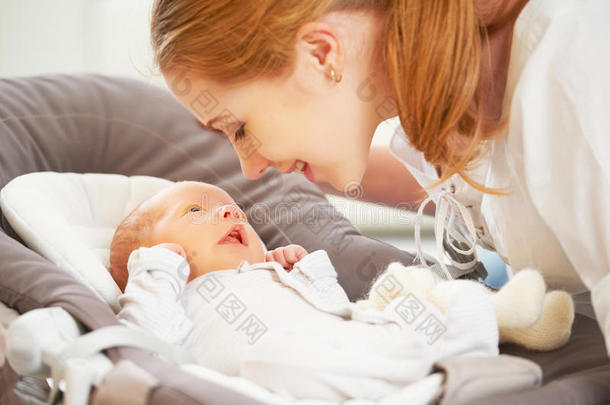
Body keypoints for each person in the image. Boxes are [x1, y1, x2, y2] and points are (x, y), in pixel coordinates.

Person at [149, 0, 610, 354]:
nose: (248, 168)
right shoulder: (436, 90)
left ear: (320, 53)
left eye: (241, 128)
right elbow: (503, 188)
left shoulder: (573, 77)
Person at [109, 180, 572, 401]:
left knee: (410, 299)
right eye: (197, 211)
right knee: (273, 358)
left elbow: (337, 311)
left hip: (354, 350)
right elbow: (145, 342)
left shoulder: (274, 275)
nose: (232, 216)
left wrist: (306, 274)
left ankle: (472, 336)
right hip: (284, 384)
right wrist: (154, 270)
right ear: (155, 252)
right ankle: (446, 369)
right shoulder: (171, 296)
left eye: (236, 212)